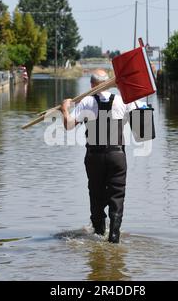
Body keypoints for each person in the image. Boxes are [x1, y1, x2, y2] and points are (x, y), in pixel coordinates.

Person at [60, 69, 132, 243]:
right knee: (117, 196)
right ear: (109, 83)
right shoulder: (123, 101)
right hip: (117, 155)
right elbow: (141, 126)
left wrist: (64, 109)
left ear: (92, 85)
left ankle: (98, 234)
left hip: (95, 156)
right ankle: (114, 236)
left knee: (96, 195)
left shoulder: (86, 101)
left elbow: (69, 126)